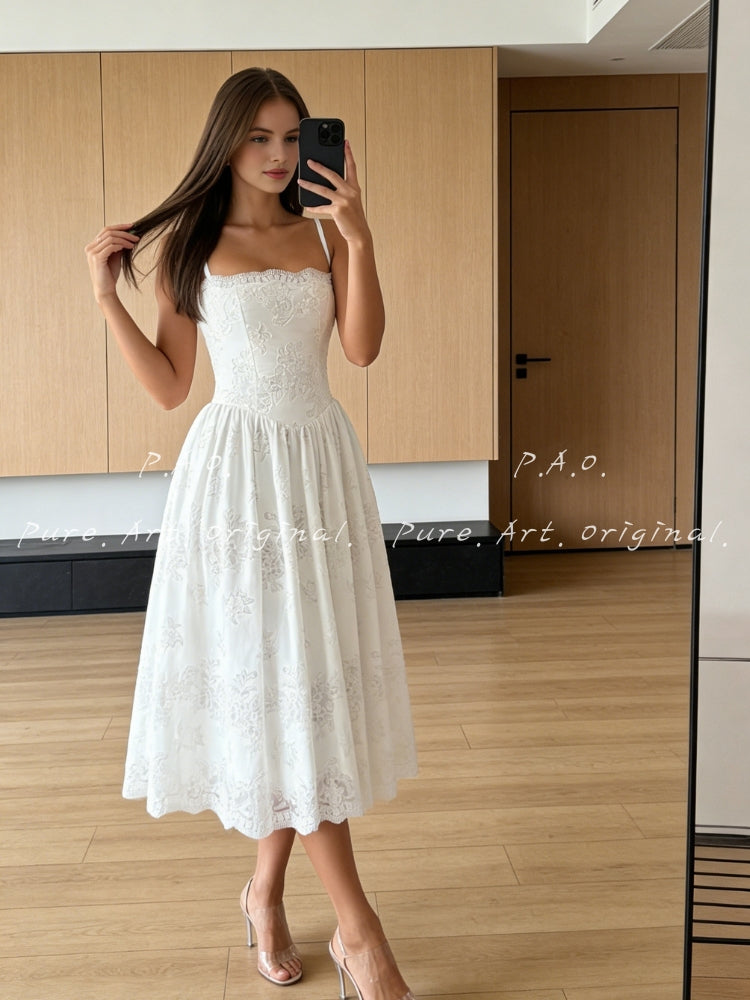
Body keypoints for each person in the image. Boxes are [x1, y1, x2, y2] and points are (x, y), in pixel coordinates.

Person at [84, 68, 419, 999]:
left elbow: (362, 349)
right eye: (259, 137)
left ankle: (264, 895)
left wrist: (358, 235)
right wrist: (107, 299)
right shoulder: (193, 246)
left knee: (296, 689)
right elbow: (169, 386)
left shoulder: (323, 232)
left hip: (319, 472)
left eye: (293, 137)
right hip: (235, 483)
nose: (278, 155)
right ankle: (361, 935)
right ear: (227, 143)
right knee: (285, 687)